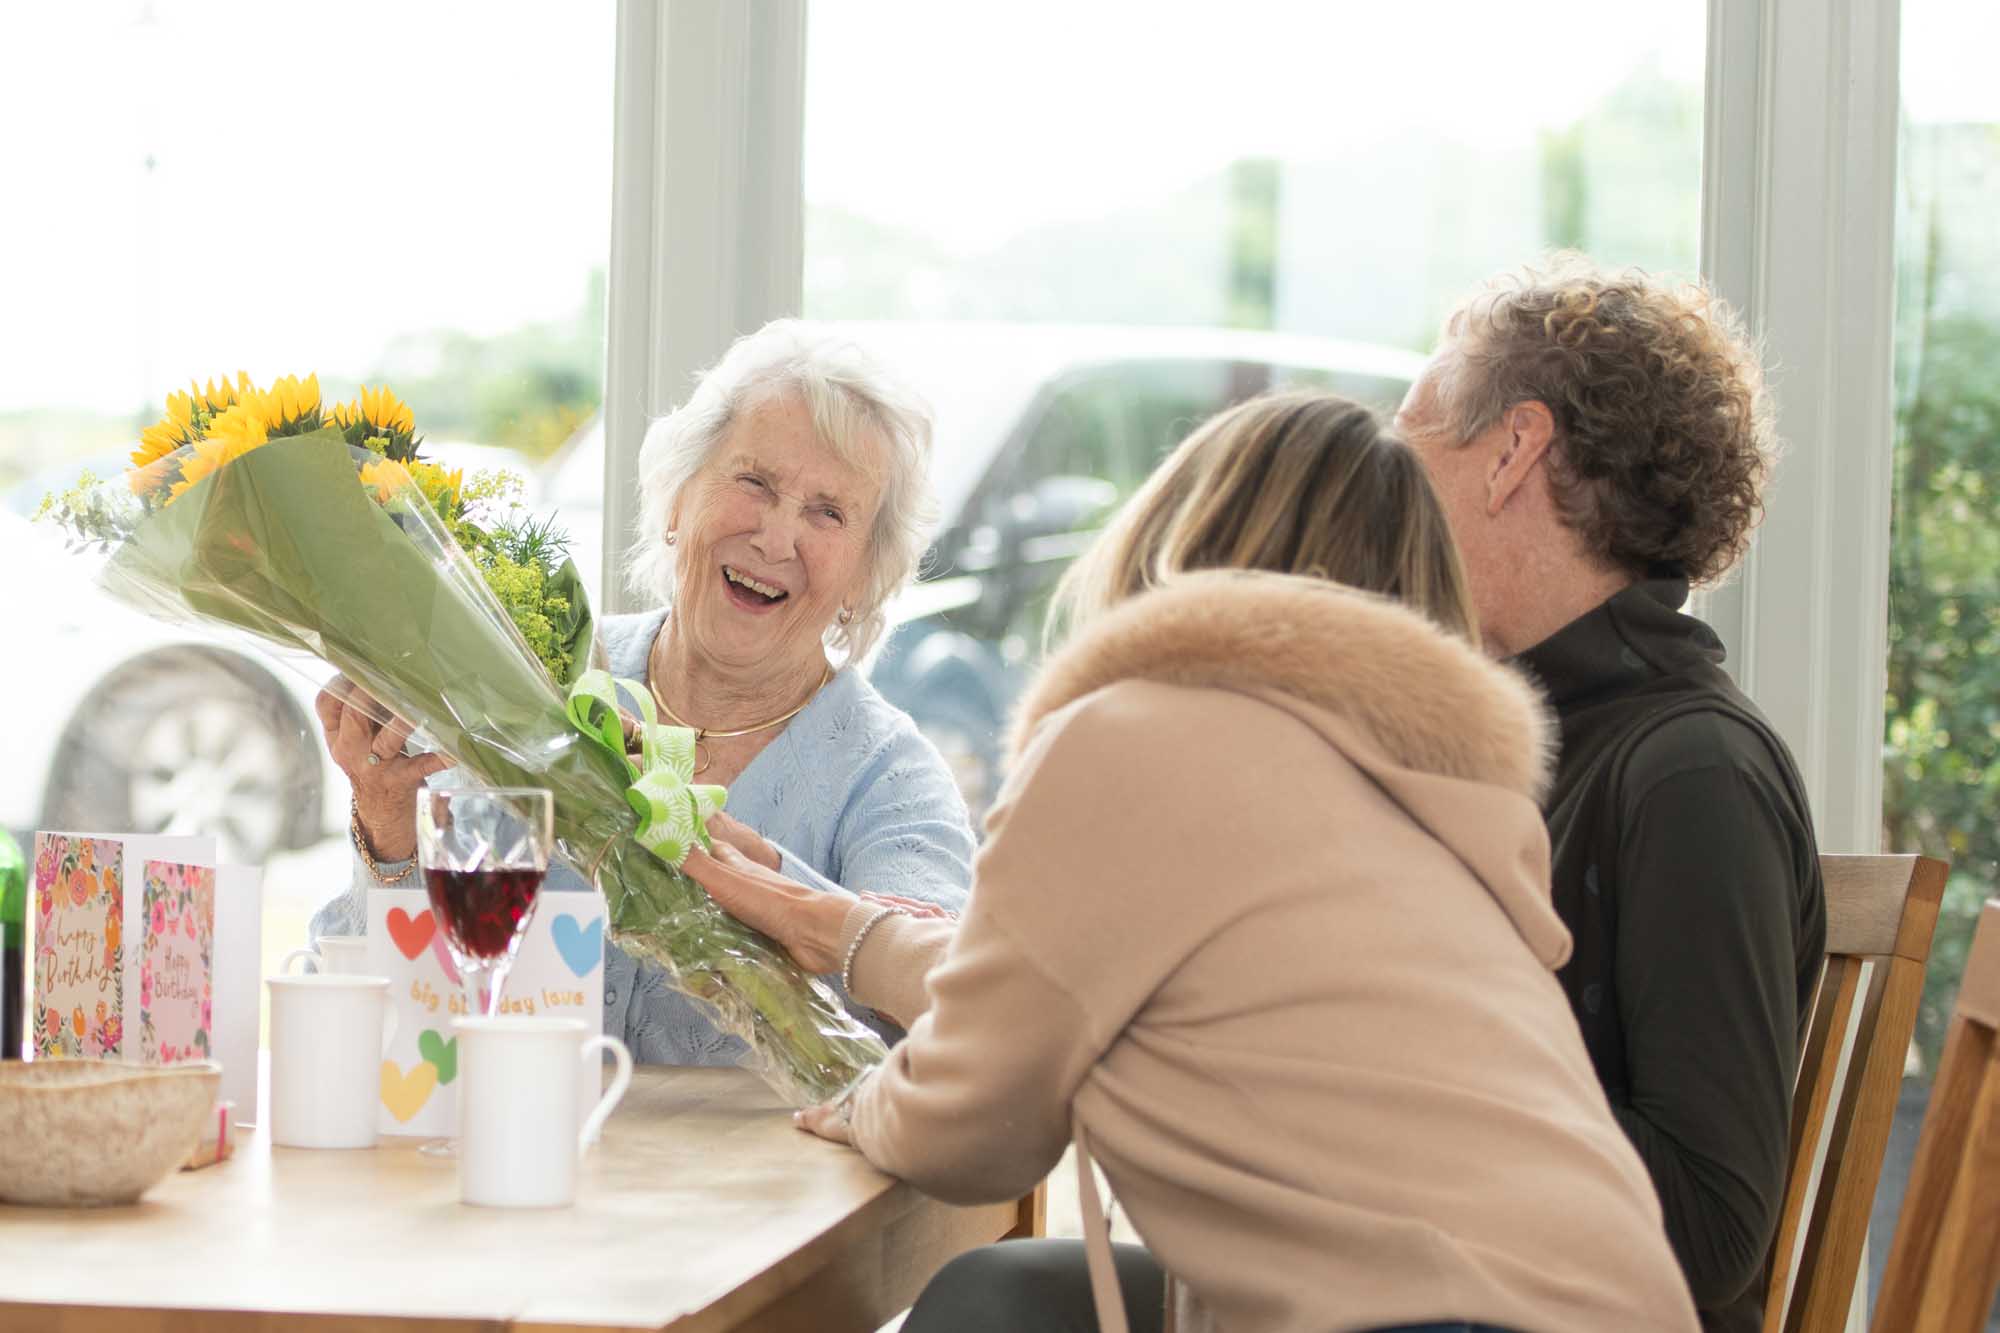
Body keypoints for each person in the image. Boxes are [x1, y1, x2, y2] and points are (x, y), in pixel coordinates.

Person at [684, 392, 1701, 1333]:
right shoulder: (1425, 798)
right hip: (1614, 1298)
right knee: (1003, 1296)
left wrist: (859, 1101)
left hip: (1418, 1314)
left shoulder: (1136, 738)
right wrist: (857, 936)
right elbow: (1061, 976)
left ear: (1177, 537)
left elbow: (973, 1130)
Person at [311, 320, 975, 1063]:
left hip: (765, 1181)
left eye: (828, 512)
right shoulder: (540, 678)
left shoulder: (891, 780)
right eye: (755, 482)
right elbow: (380, 1020)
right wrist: (388, 829)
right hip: (511, 1161)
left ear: (863, 577)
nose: (777, 537)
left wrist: (786, 900)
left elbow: (960, 1016)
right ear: (678, 499)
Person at [1393, 254, 1826, 1333]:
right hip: (1415, 1287)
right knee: (1008, 1290)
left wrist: (1414, 1038)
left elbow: (1714, 1233)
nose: (1378, 484)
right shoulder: (1492, 747)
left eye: (1404, 443)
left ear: (1512, 452)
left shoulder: (1693, 772)